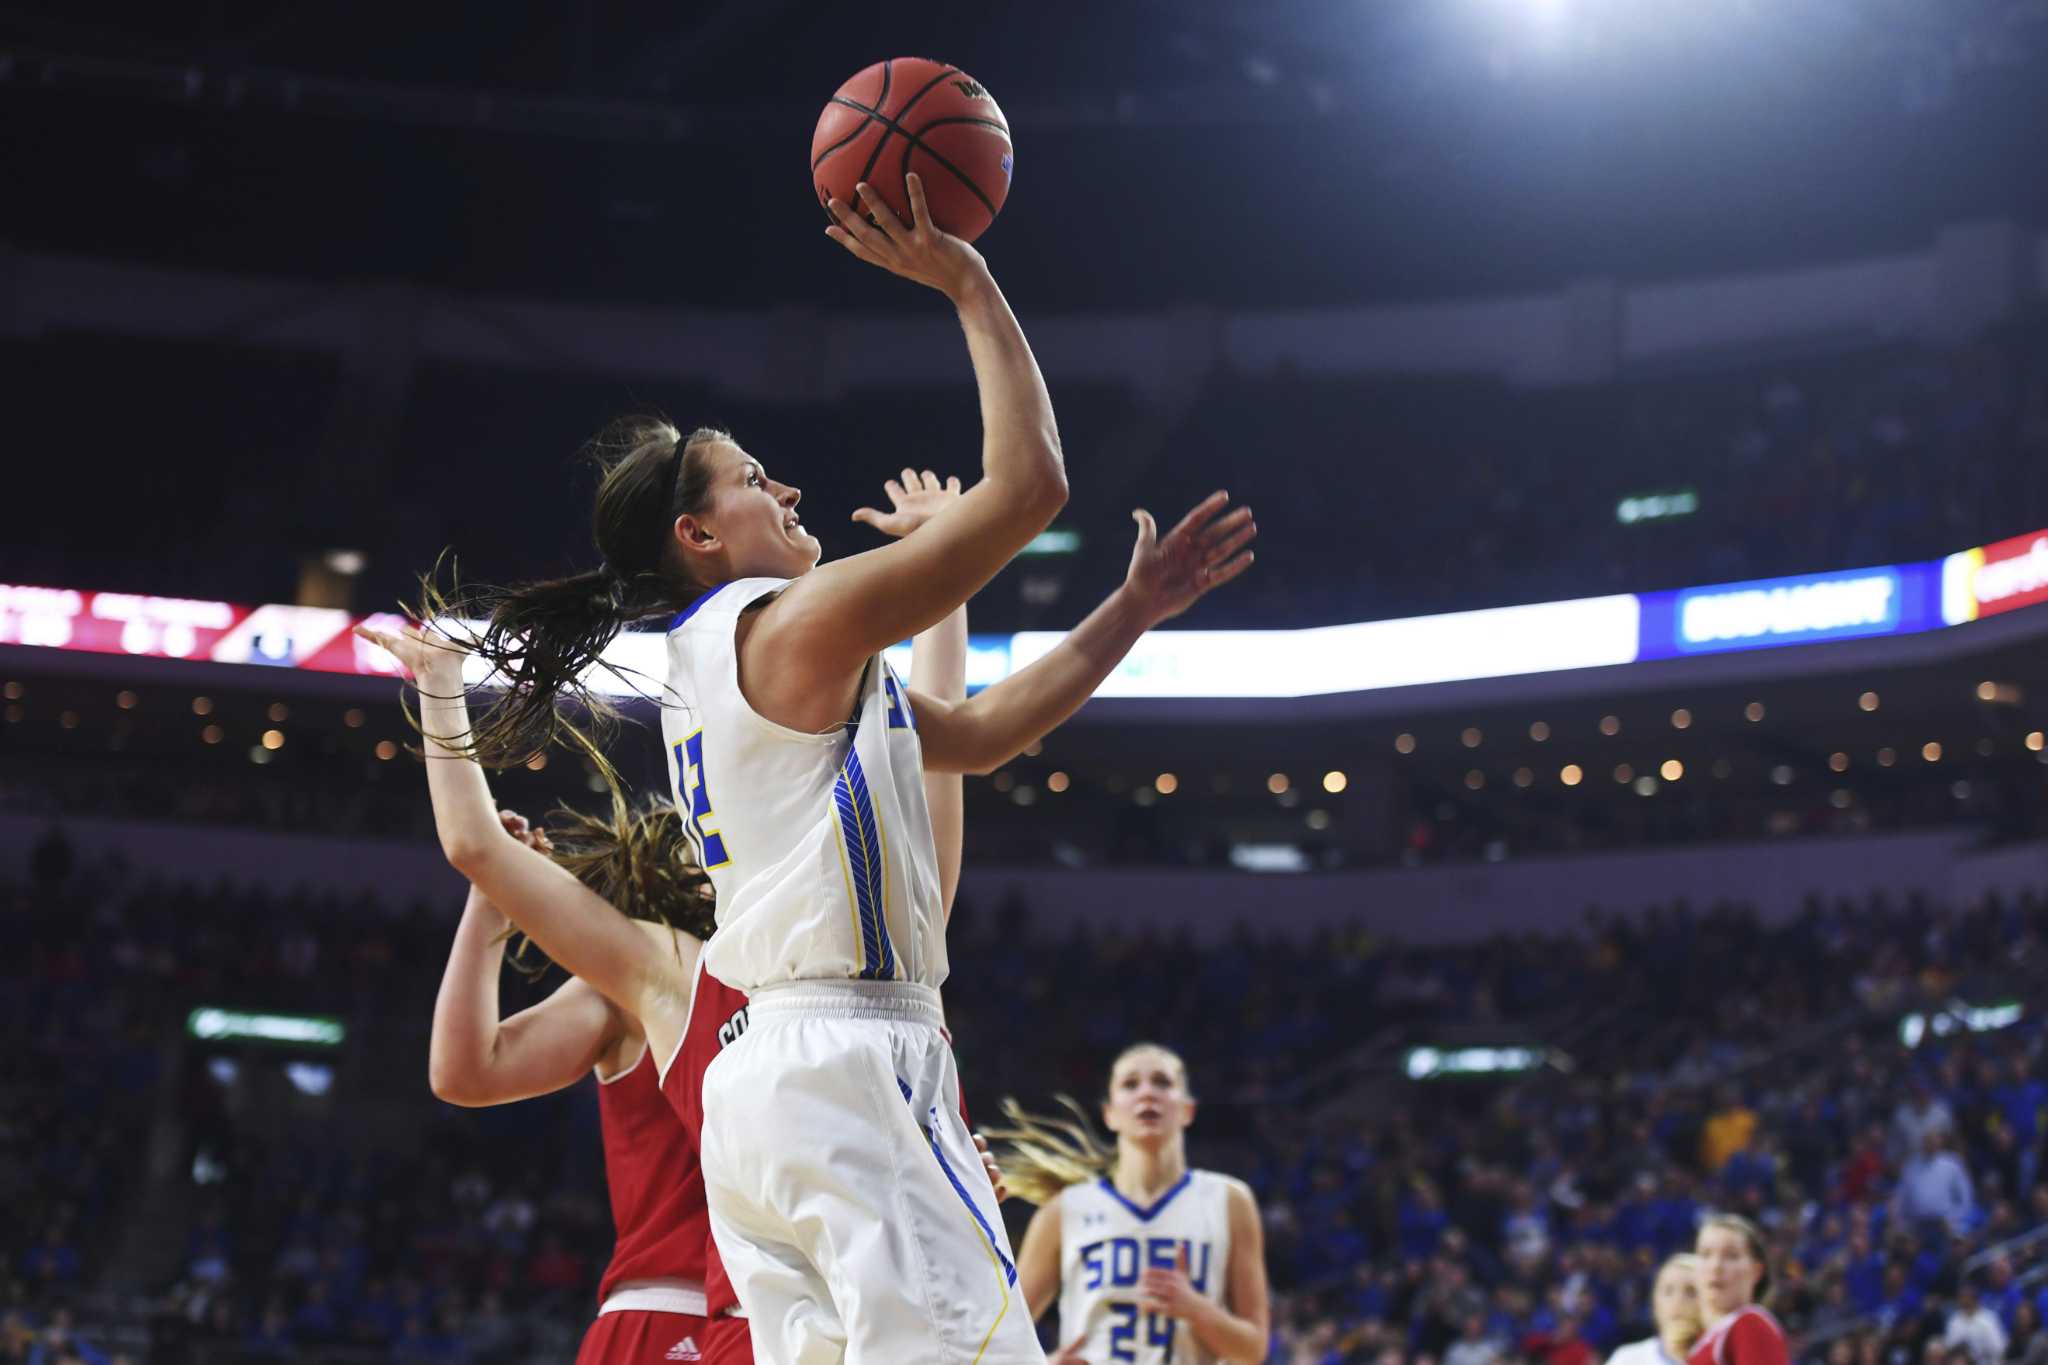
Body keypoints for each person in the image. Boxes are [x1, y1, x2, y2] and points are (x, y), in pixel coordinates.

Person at [453, 172, 1256, 1362]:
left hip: (767, 1087)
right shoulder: (788, 626)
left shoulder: (738, 663)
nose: (785, 488)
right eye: (751, 480)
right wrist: (967, 282)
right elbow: (1031, 488)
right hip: (847, 1057)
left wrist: (1128, 609)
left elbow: (976, 735)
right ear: (698, 535)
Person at [362, 474, 987, 1364]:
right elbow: (476, 865)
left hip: (844, 1298)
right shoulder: (675, 969)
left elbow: (934, 775)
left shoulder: (863, 948)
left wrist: (943, 1175)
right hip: (726, 1316)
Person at [1000, 1042, 1271, 1363]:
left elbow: (1254, 1349)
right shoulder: (1063, 1211)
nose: (1147, 1093)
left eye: (1162, 1082)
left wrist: (1196, 1309)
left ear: (1187, 1110)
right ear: (1110, 1114)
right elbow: (1003, 1337)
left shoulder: (1229, 1200)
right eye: (1130, 1084)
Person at [1689, 1215, 1787, 1365]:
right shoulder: (1704, 1338)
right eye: (1705, 1254)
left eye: (1731, 1256)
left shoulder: (1750, 1325)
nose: (1716, 1266)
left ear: (1756, 1271)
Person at [1606, 1255, 1705, 1365]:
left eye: (1691, 1291)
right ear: (1655, 1302)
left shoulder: (1717, 1357)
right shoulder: (1627, 1358)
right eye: (1668, 1291)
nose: (1678, 1301)